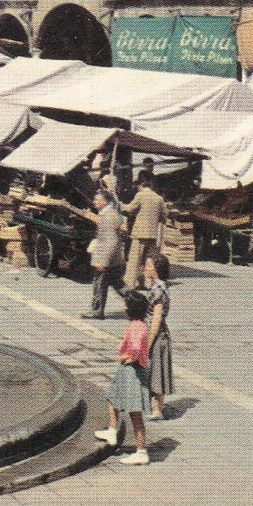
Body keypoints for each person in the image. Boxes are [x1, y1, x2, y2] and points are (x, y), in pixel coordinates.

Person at [94, 290, 153, 465]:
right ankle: (112, 430)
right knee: (112, 396)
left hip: (133, 371)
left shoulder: (136, 326)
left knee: (135, 412)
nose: (123, 306)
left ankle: (142, 451)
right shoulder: (139, 324)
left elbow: (135, 347)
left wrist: (131, 358)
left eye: (124, 304)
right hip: (128, 369)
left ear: (129, 309)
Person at [120, 168, 167, 289]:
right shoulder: (159, 198)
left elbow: (130, 209)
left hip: (140, 233)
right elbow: (164, 216)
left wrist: (121, 205)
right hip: (152, 234)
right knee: (149, 260)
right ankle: (148, 283)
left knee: (134, 259)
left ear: (140, 185)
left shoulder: (140, 195)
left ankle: (130, 283)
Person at [83, 188, 126, 319]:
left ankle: (96, 310)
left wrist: (102, 262)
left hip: (107, 258)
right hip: (112, 257)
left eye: (97, 199)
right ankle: (139, 303)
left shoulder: (108, 216)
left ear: (105, 201)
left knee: (100, 284)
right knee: (118, 284)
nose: (94, 202)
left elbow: (110, 240)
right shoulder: (108, 213)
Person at [142, 255, 173, 421]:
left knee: (157, 371)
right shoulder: (155, 287)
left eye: (148, 265)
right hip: (154, 333)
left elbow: (156, 319)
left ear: (156, 269)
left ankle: (157, 409)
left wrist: (148, 344)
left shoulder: (159, 290)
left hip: (158, 335)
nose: (146, 268)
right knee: (153, 370)